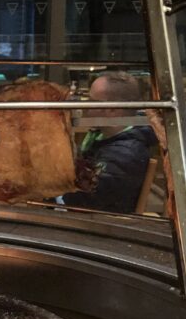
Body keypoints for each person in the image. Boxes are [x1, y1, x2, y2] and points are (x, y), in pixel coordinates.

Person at [60, 71, 157, 213]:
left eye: (92, 101)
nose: (85, 107)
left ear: (112, 109)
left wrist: (53, 192)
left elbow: (88, 201)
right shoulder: (102, 137)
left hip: (101, 222)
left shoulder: (125, 154)